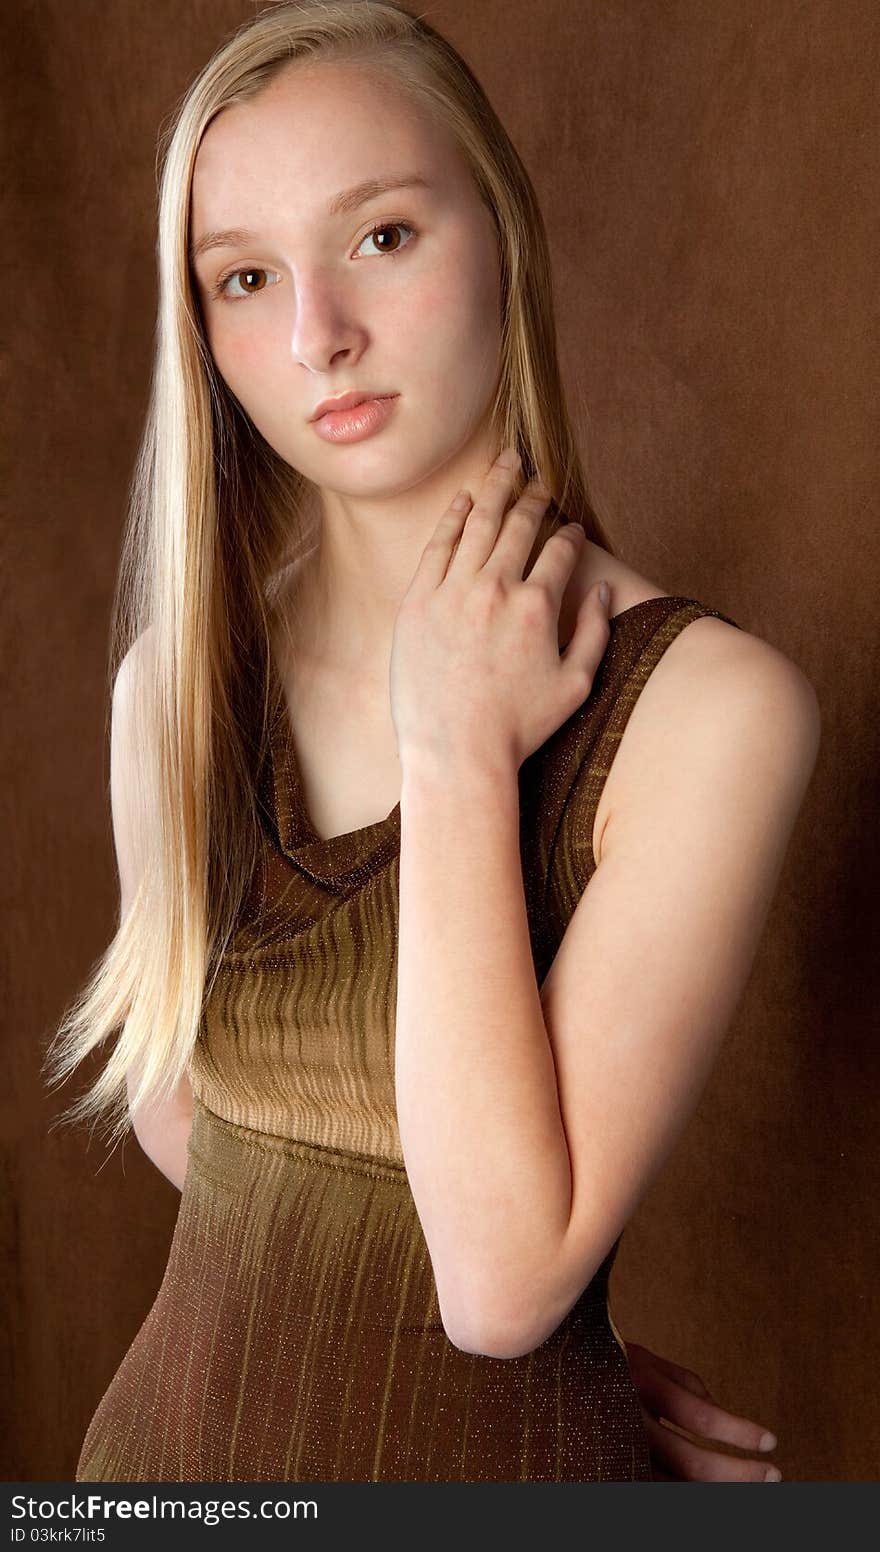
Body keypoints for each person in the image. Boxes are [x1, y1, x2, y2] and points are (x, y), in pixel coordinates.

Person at [44, 0, 818, 1483]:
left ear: (503, 231)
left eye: (381, 238)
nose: (315, 334)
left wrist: (458, 747)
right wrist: (374, 1322)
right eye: (245, 277)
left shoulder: (715, 714)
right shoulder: (174, 686)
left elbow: (501, 1287)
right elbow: (195, 1126)